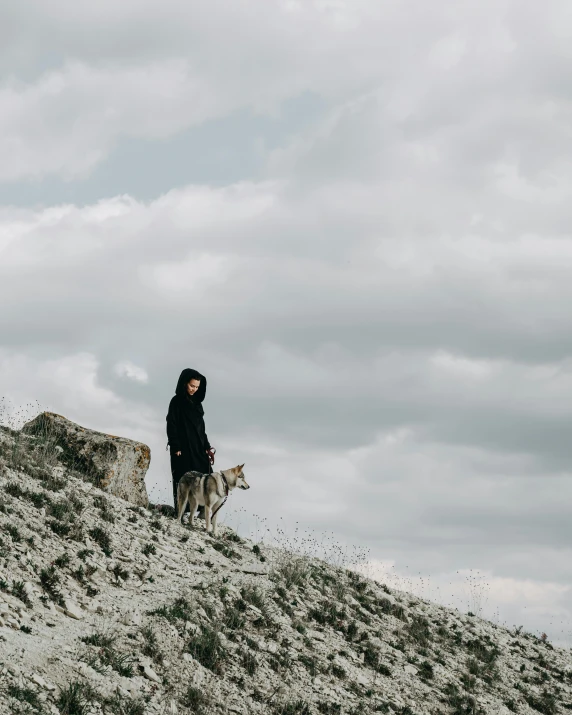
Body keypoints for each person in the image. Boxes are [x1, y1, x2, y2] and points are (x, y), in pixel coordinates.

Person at [166, 368, 215, 517]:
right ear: (184, 383)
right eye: (192, 385)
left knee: (207, 477)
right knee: (183, 479)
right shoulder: (176, 401)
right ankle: (182, 512)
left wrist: (207, 448)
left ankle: (203, 511)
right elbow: (171, 424)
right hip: (183, 448)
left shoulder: (197, 404)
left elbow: (202, 429)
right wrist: (175, 446)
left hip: (198, 448)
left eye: (197, 387)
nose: (194, 389)